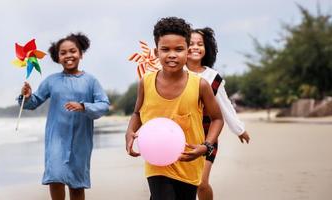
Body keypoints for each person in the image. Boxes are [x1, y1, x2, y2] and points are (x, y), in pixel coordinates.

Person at [125, 17, 224, 200]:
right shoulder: (145, 82)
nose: (172, 54)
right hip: (157, 163)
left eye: (179, 49)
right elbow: (137, 113)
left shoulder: (200, 85)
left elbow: (217, 118)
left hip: (189, 161)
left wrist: (206, 146)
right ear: (156, 52)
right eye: (165, 49)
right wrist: (130, 132)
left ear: (188, 51)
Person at [18, 33, 110, 200]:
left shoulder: (91, 81)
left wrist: (83, 106)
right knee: (56, 176)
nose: (68, 56)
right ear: (57, 57)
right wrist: (27, 96)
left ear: (81, 54)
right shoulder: (51, 81)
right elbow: (33, 102)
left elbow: (104, 105)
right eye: (63, 53)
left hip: (81, 140)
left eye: (73, 51)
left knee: (77, 183)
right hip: (56, 138)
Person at [186, 27, 251, 200]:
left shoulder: (212, 77)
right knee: (185, 183)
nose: (195, 47)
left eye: (200, 44)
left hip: (207, 135)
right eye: (190, 43)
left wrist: (239, 129)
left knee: (201, 182)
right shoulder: (175, 74)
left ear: (207, 48)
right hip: (181, 135)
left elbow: (225, 105)